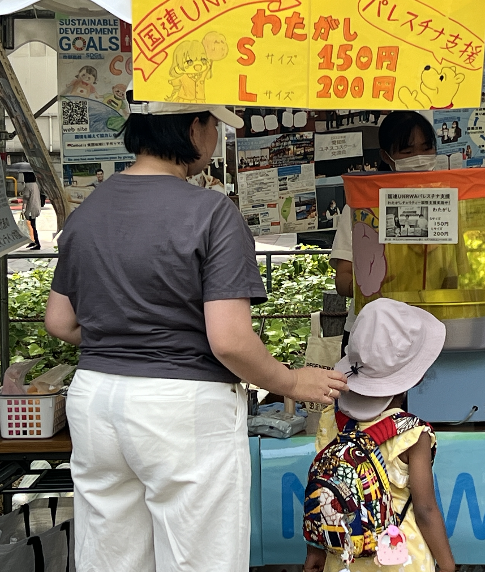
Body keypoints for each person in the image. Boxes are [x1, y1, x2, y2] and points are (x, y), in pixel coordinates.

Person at [44, 89, 347, 572]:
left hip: (96, 402)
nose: (215, 136)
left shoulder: (88, 212)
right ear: (193, 128)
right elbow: (229, 340)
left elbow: (60, 321)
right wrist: (292, 381)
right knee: (199, 560)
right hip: (182, 409)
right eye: (214, 125)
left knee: (112, 558)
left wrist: (126, 337)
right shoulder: (210, 212)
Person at [303, 298, 455, 572]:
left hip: (343, 558)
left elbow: (324, 485)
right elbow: (425, 510)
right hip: (401, 560)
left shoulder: (331, 418)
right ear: (416, 376)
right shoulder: (412, 433)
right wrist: (447, 565)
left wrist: (315, 549)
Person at [331, 111, 438, 356]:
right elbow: (342, 279)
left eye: (426, 149)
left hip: (432, 330)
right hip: (372, 334)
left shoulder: (447, 203)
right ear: (386, 156)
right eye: (407, 151)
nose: (419, 158)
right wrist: (377, 286)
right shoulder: (361, 207)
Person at [20, 171, 41, 250]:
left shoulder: (28, 186)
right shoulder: (35, 185)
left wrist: (23, 209)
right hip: (36, 207)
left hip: (31, 208)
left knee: (32, 226)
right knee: (32, 225)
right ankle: (33, 241)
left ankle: (37, 243)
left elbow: (26, 198)